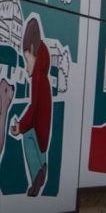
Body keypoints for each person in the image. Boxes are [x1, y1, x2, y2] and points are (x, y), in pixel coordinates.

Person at [10, 17, 51, 197]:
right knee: (38, 143)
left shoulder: (37, 77)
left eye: (27, 60)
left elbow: (33, 107)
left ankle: (36, 175)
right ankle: (42, 167)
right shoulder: (43, 74)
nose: (27, 68)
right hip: (43, 123)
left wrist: (20, 126)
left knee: (28, 138)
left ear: (33, 51)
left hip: (38, 123)